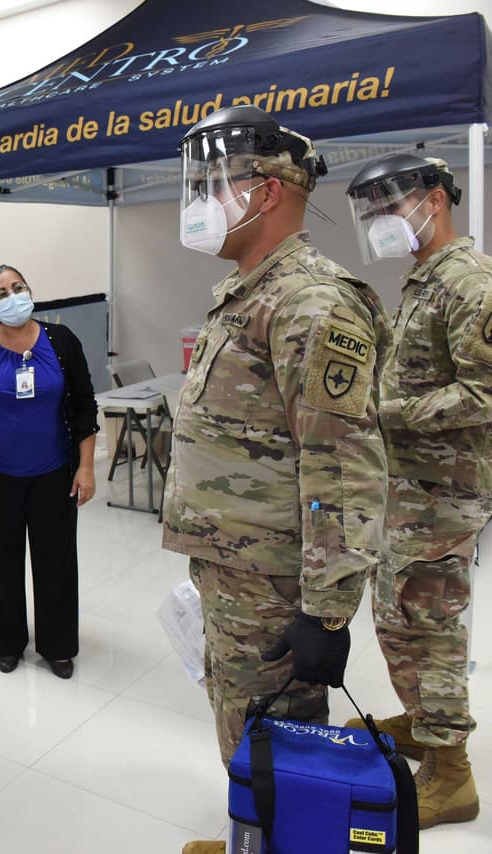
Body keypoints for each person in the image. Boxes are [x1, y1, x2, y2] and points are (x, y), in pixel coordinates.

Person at [163, 106, 391, 854]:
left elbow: (343, 466)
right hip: (238, 577)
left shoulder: (310, 300)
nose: (198, 201)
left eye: (211, 184)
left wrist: (327, 614)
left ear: (265, 192)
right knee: (245, 732)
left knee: (279, 748)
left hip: (275, 590)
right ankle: (249, 838)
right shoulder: (250, 291)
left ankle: (272, 840)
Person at [342, 153, 492, 828]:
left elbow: (483, 393)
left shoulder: (469, 282)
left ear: (434, 199)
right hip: (411, 488)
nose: (379, 223)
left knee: (427, 623)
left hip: (444, 490)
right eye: (371, 212)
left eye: (388, 207)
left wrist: (388, 411)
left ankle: (451, 771)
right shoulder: (425, 280)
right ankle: (425, 719)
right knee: (399, 614)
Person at [0, 265, 98, 679]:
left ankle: (58, 645)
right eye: (1, 292)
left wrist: (85, 467)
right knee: (3, 558)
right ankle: (5, 640)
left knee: (57, 559)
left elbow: (85, 408)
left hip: (54, 472)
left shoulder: (61, 341)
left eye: (18, 287)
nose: (12, 295)